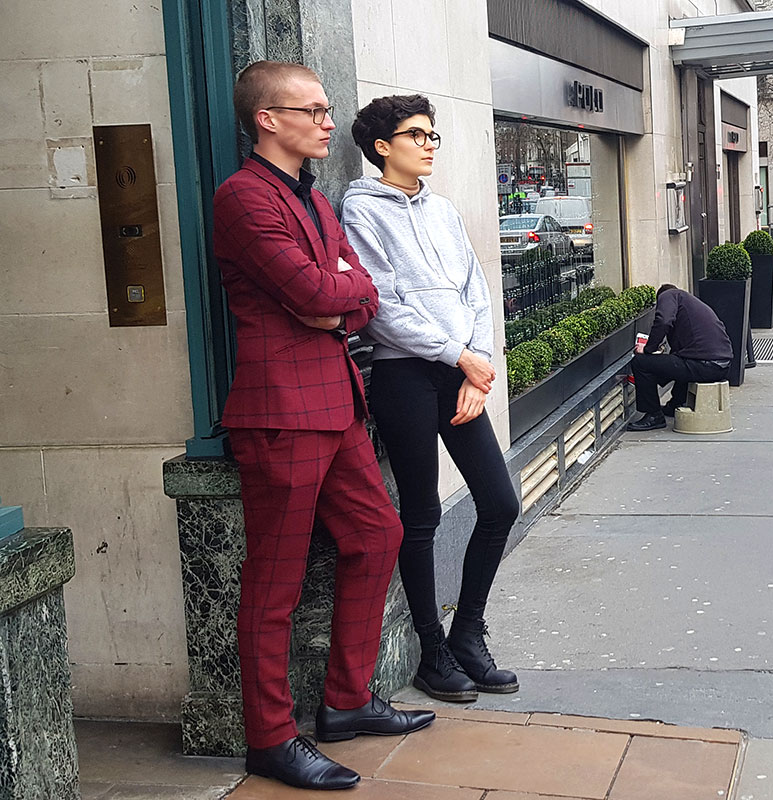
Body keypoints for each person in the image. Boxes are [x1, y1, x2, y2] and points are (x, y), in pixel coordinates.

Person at [211, 61, 433, 791]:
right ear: (268, 119)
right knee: (273, 585)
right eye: (313, 110)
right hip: (278, 413)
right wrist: (336, 293)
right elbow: (312, 288)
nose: (329, 122)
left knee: (378, 534)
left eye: (329, 109)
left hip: (336, 406)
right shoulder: (244, 198)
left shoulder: (310, 196)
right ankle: (270, 739)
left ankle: (344, 701)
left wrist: (339, 299)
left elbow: (354, 287)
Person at [342, 94, 521, 707]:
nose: (429, 144)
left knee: (499, 503)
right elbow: (381, 309)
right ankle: (432, 648)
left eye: (433, 134)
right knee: (421, 516)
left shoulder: (442, 210)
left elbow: (476, 288)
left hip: (458, 373)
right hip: (405, 377)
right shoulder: (360, 211)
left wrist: (477, 367)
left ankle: (469, 631)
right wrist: (457, 355)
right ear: (381, 146)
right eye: (415, 134)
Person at [626, 284, 733, 431]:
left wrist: (648, 349)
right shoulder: (690, 305)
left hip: (705, 364)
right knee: (679, 364)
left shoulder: (669, 295)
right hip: (721, 366)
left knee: (640, 363)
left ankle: (653, 415)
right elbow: (680, 359)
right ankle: (675, 404)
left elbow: (663, 321)